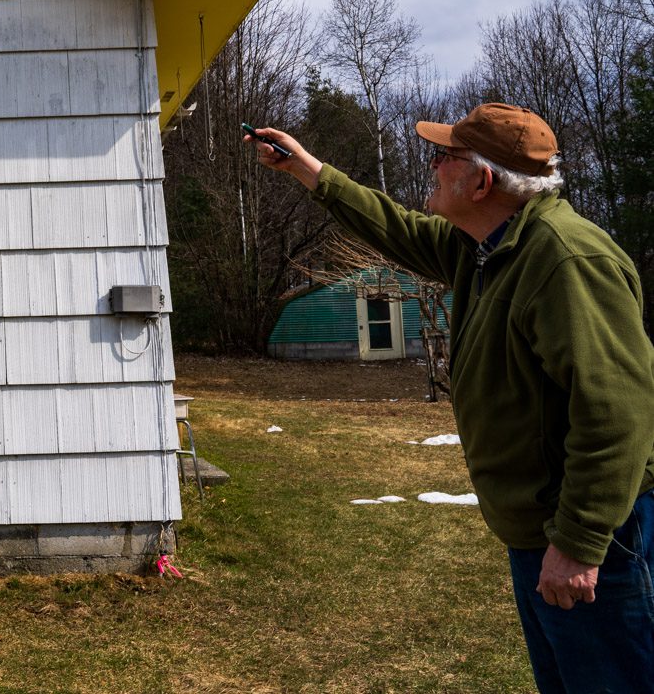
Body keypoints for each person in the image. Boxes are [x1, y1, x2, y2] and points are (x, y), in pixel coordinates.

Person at [247, 103, 654, 694]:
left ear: (483, 181)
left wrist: (579, 542)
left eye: (444, 157)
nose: (432, 168)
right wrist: (308, 169)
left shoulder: (566, 260)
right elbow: (398, 228)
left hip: (595, 541)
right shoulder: (486, 247)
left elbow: (617, 413)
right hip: (540, 532)